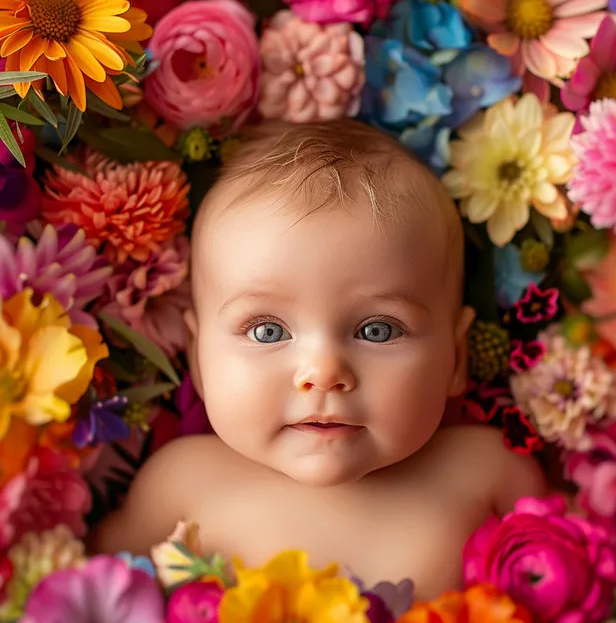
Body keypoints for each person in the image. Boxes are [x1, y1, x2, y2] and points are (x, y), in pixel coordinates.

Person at [93, 119, 545, 599]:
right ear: (199, 362)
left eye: (378, 330)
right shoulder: (180, 485)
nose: (324, 373)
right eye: (267, 331)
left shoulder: (484, 475)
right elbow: (88, 594)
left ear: (456, 356)